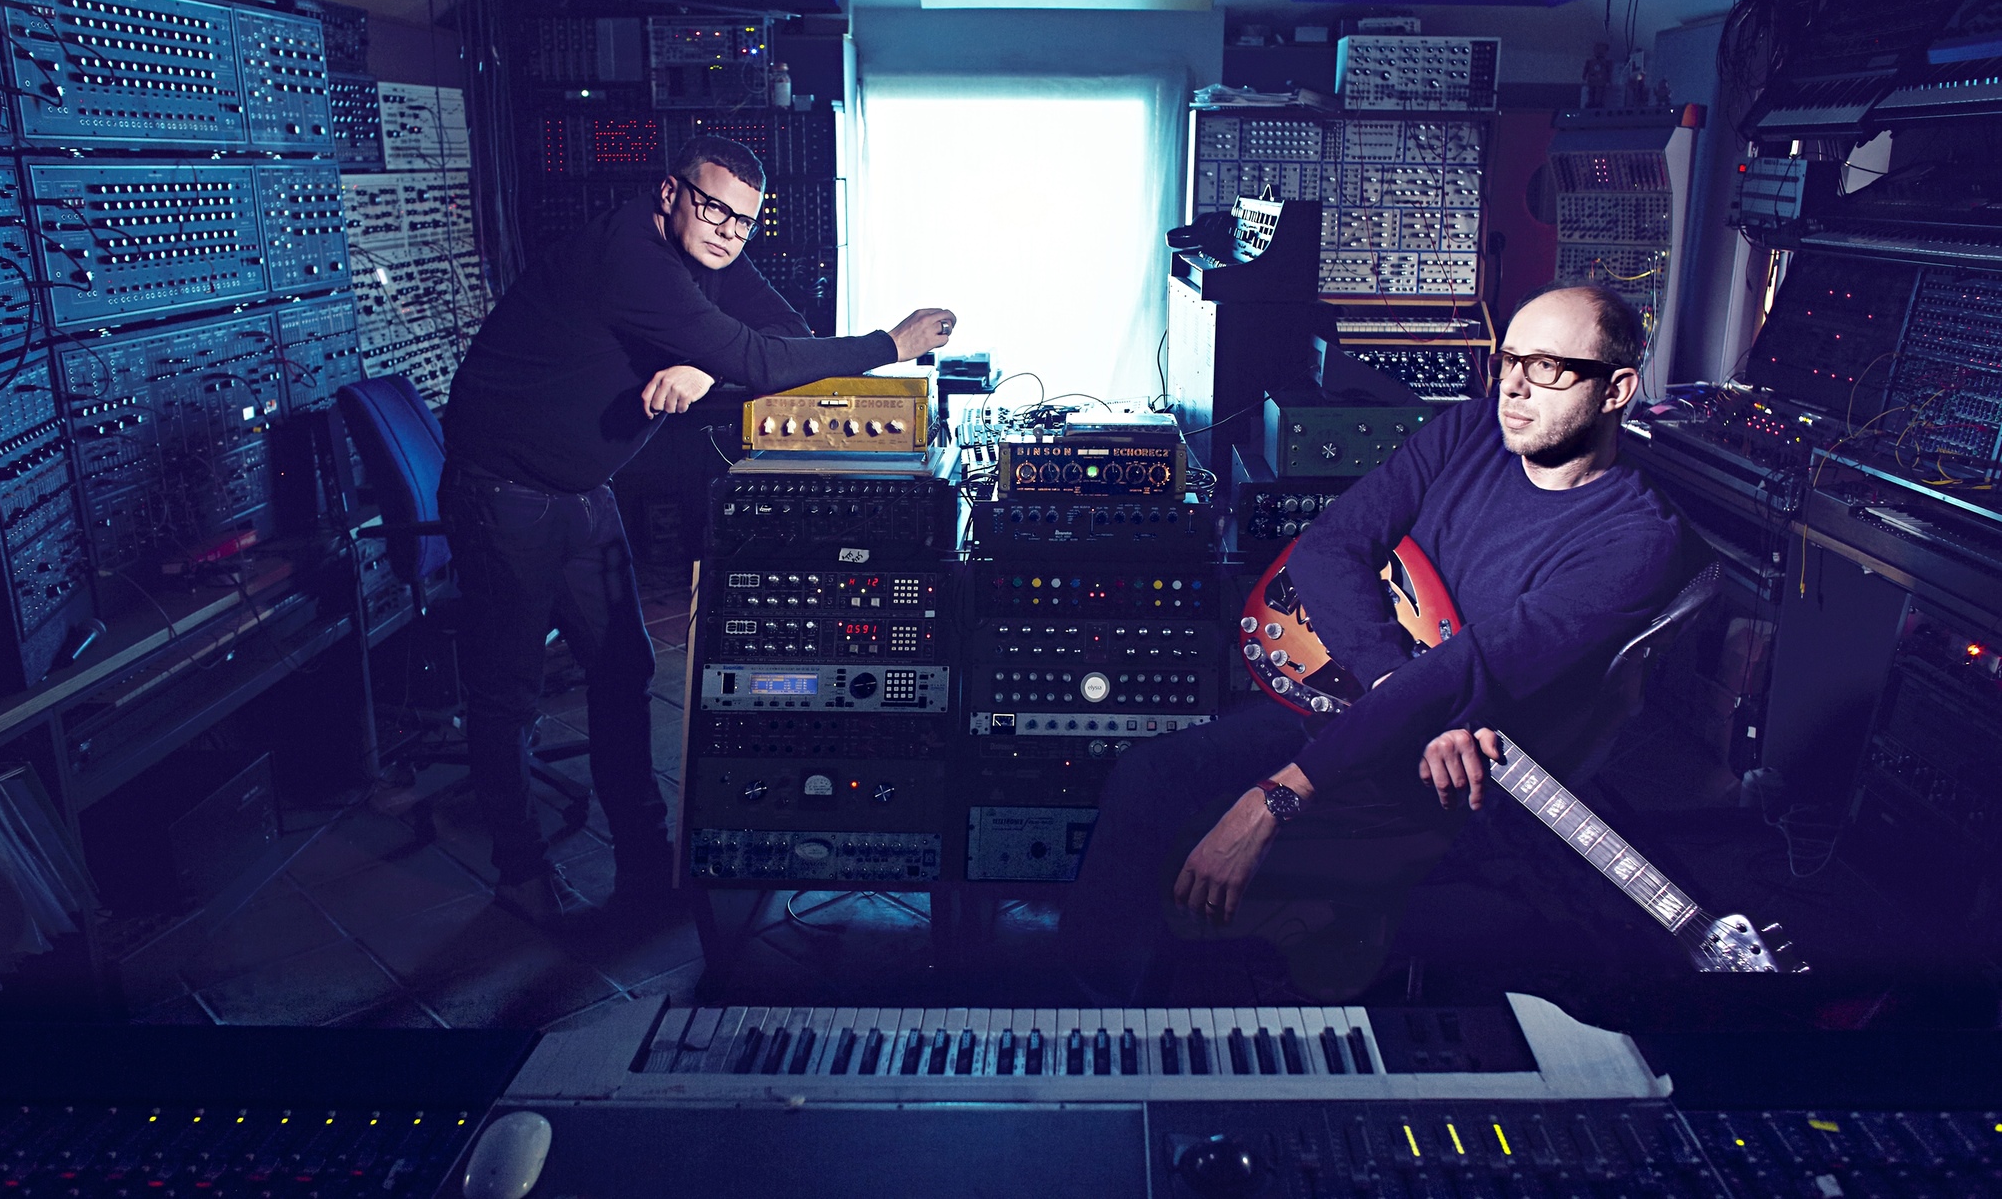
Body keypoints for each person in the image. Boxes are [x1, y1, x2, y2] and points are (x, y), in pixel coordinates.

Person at [1058, 283, 1687, 1000]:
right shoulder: (1471, 430)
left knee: (1186, 820)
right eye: (1509, 359)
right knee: (1146, 778)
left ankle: (1198, 1033)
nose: (1513, 385)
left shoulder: (1634, 541)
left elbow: (1469, 669)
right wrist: (1393, 682)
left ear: (1616, 390)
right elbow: (1328, 547)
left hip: (1448, 776)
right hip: (1378, 708)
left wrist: (1277, 798)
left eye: (1545, 367)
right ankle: (1092, 1028)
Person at [439, 135, 956, 922]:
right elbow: (764, 357)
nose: (727, 231)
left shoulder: (709, 255)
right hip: (502, 493)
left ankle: (646, 867)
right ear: (669, 192)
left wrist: (709, 363)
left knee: (623, 669)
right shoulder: (628, 256)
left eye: (744, 220)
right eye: (714, 208)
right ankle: (519, 874)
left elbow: (780, 335)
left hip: (581, 489)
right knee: (507, 695)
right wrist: (893, 344)